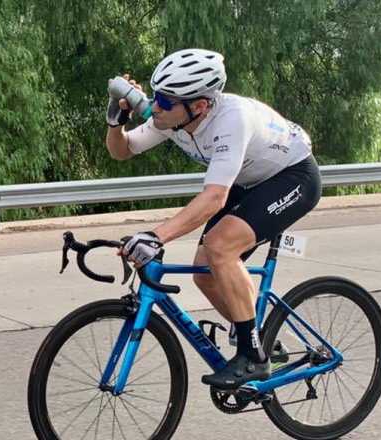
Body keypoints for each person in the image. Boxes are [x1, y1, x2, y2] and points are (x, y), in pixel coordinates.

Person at [106, 49, 321, 388]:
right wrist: (115, 121)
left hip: (293, 177)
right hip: (248, 180)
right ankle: (255, 334)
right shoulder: (174, 118)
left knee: (221, 248)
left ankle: (253, 358)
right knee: (206, 272)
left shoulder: (231, 119)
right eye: (156, 94)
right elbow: (121, 151)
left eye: (165, 100)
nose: (156, 106)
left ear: (201, 105)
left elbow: (214, 198)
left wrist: (156, 236)